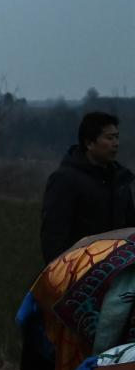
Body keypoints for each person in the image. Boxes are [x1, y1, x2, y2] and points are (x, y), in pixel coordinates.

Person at [40, 111, 135, 264]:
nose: (115, 143)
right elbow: (54, 236)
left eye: (116, 137)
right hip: (78, 272)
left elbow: (130, 228)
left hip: (117, 271)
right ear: (89, 143)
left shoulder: (121, 180)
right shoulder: (65, 180)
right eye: (109, 138)